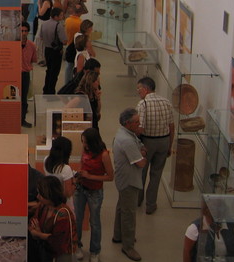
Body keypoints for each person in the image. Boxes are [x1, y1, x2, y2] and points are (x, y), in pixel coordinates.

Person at [73, 128, 114, 262]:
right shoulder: (85, 149)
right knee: (78, 218)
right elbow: (81, 163)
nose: (83, 144)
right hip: (81, 188)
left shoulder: (104, 155)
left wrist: (90, 176)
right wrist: (79, 174)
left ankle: (95, 251)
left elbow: (110, 177)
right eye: (83, 142)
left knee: (94, 222)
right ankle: (77, 246)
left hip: (95, 192)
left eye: (85, 142)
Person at [112, 108, 147, 261]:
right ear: (128, 123)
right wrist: (143, 156)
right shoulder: (127, 140)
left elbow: (140, 149)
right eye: (137, 122)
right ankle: (128, 246)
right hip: (129, 181)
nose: (140, 125)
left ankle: (118, 235)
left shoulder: (125, 134)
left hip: (123, 179)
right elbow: (140, 163)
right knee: (129, 214)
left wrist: (141, 152)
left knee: (122, 207)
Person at [135, 76, 173, 215]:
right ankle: (151, 205)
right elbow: (171, 126)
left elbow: (141, 127)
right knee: (156, 175)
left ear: (145, 89)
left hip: (147, 142)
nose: (138, 91)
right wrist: (170, 144)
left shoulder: (142, 104)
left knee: (141, 173)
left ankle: (138, 200)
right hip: (163, 141)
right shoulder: (167, 102)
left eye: (139, 89)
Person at [28, 175, 77, 262]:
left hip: (62, 255)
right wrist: (38, 232)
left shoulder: (63, 214)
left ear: (50, 195)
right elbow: (33, 222)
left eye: (41, 194)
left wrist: (38, 234)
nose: (38, 197)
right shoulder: (43, 206)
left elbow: (58, 241)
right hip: (47, 252)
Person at [43, 136, 75, 213]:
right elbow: (68, 193)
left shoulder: (46, 160)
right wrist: (75, 183)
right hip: (64, 204)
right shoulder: (65, 169)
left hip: (50, 199)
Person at [40, 7, 67, 94]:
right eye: (61, 15)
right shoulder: (58, 25)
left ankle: (45, 89)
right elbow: (64, 41)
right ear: (56, 16)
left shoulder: (44, 24)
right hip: (56, 52)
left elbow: (40, 37)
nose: (62, 17)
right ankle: (51, 91)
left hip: (47, 50)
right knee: (54, 73)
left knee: (48, 70)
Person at [20, 21, 37, 128]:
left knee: (24, 99)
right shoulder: (13, 44)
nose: (23, 33)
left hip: (25, 74)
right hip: (14, 75)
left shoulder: (31, 45)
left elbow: (33, 59)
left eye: (25, 31)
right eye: (22, 31)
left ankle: (22, 120)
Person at [63, 4, 83, 83]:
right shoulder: (80, 23)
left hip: (69, 44)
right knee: (76, 66)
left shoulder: (67, 20)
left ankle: (67, 83)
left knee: (68, 66)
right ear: (80, 13)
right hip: (76, 46)